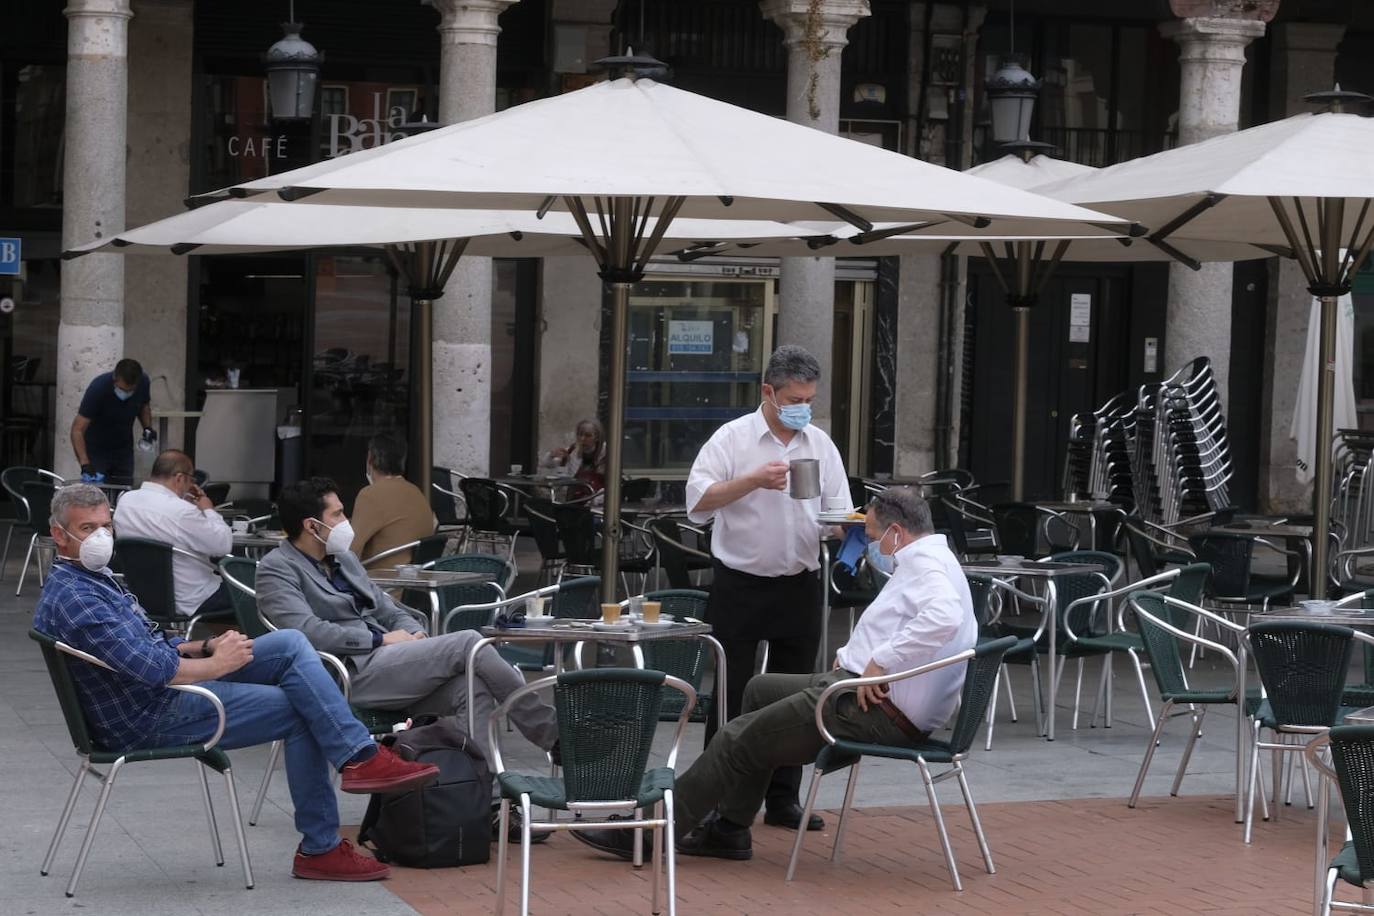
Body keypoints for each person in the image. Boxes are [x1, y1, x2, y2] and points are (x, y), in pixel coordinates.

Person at [32, 484, 440, 882]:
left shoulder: (93, 579)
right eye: (88, 529)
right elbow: (156, 670)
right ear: (58, 535)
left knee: (291, 643)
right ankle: (322, 845)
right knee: (303, 708)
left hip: (157, 692)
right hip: (149, 713)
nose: (101, 537)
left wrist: (205, 645)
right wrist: (216, 665)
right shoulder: (77, 598)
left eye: (106, 527)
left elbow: (152, 642)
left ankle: (358, 759)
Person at [573, 487, 977, 861]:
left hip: (871, 708)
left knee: (734, 739)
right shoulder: (934, 558)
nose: (869, 544)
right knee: (759, 689)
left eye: (871, 535)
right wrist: (859, 655)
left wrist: (880, 661)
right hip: (865, 693)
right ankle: (730, 830)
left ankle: (650, 833)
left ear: (896, 531)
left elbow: (942, 616)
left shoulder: (925, 565)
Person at [255, 477, 558, 765]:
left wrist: (416, 633)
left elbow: (387, 607)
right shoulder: (277, 568)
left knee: (473, 686)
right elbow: (306, 632)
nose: (346, 521)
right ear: (312, 526)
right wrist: (380, 639)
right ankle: (554, 736)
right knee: (469, 642)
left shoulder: (343, 559)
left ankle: (481, 801)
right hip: (345, 673)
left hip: (389, 664)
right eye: (338, 514)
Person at [683, 343, 852, 832]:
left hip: (799, 581)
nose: (803, 408)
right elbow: (698, 501)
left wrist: (851, 528)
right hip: (739, 581)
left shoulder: (819, 444)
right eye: (795, 398)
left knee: (798, 698)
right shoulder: (732, 438)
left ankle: (783, 799)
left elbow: (837, 509)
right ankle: (718, 799)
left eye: (810, 399)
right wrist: (752, 481)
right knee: (731, 694)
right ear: (769, 393)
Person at [113, 449, 234, 618]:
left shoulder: (125, 501)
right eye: (190, 480)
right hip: (193, 599)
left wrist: (183, 502)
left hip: (143, 598)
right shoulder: (183, 512)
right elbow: (222, 545)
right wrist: (207, 509)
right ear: (179, 478)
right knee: (251, 589)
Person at [351, 433, 436, 571]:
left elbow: (350, 551)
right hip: (414, 584)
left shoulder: (370, 494)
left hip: (381, 585)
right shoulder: (416, 492)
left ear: (369, 459)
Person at [71, 358, 155, 482]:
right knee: (98, 493)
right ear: (114, 378)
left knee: (124, 490)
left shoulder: (143, 382)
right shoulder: (98, 388)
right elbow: (77, 430)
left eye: (130, 390)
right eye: (122, 389)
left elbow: (144, 406)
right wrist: (85, 463)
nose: (126, 393)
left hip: (123, 449)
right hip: (97, 450)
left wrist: (147, 427)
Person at [543, 418, 608, 493]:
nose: (582, 438)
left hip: (597, 497)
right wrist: (551, 455)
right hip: (575, 496)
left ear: (597, 437)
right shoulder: (572, 450)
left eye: (588, 435)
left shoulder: (606, 452)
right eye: (580, 434)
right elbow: (547, 464)